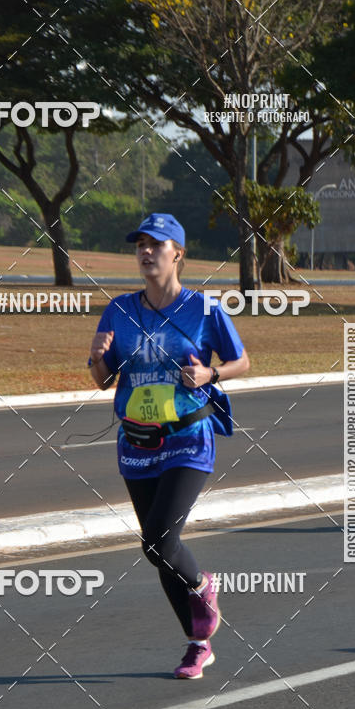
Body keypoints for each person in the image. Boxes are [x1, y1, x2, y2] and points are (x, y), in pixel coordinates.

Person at [89, 213, 249, 679]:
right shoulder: (119, 310)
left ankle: (201, 586)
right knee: (156, 548)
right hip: (137, 442)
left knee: (161, 537)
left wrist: (210, 374)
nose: (145, 253)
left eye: (155, 245)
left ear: (177, 253)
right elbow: (104, 381)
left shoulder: (204, 310)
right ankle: (198, 644)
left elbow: (241, 360)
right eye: (139, 245)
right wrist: (96, 358)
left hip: (188, 439)